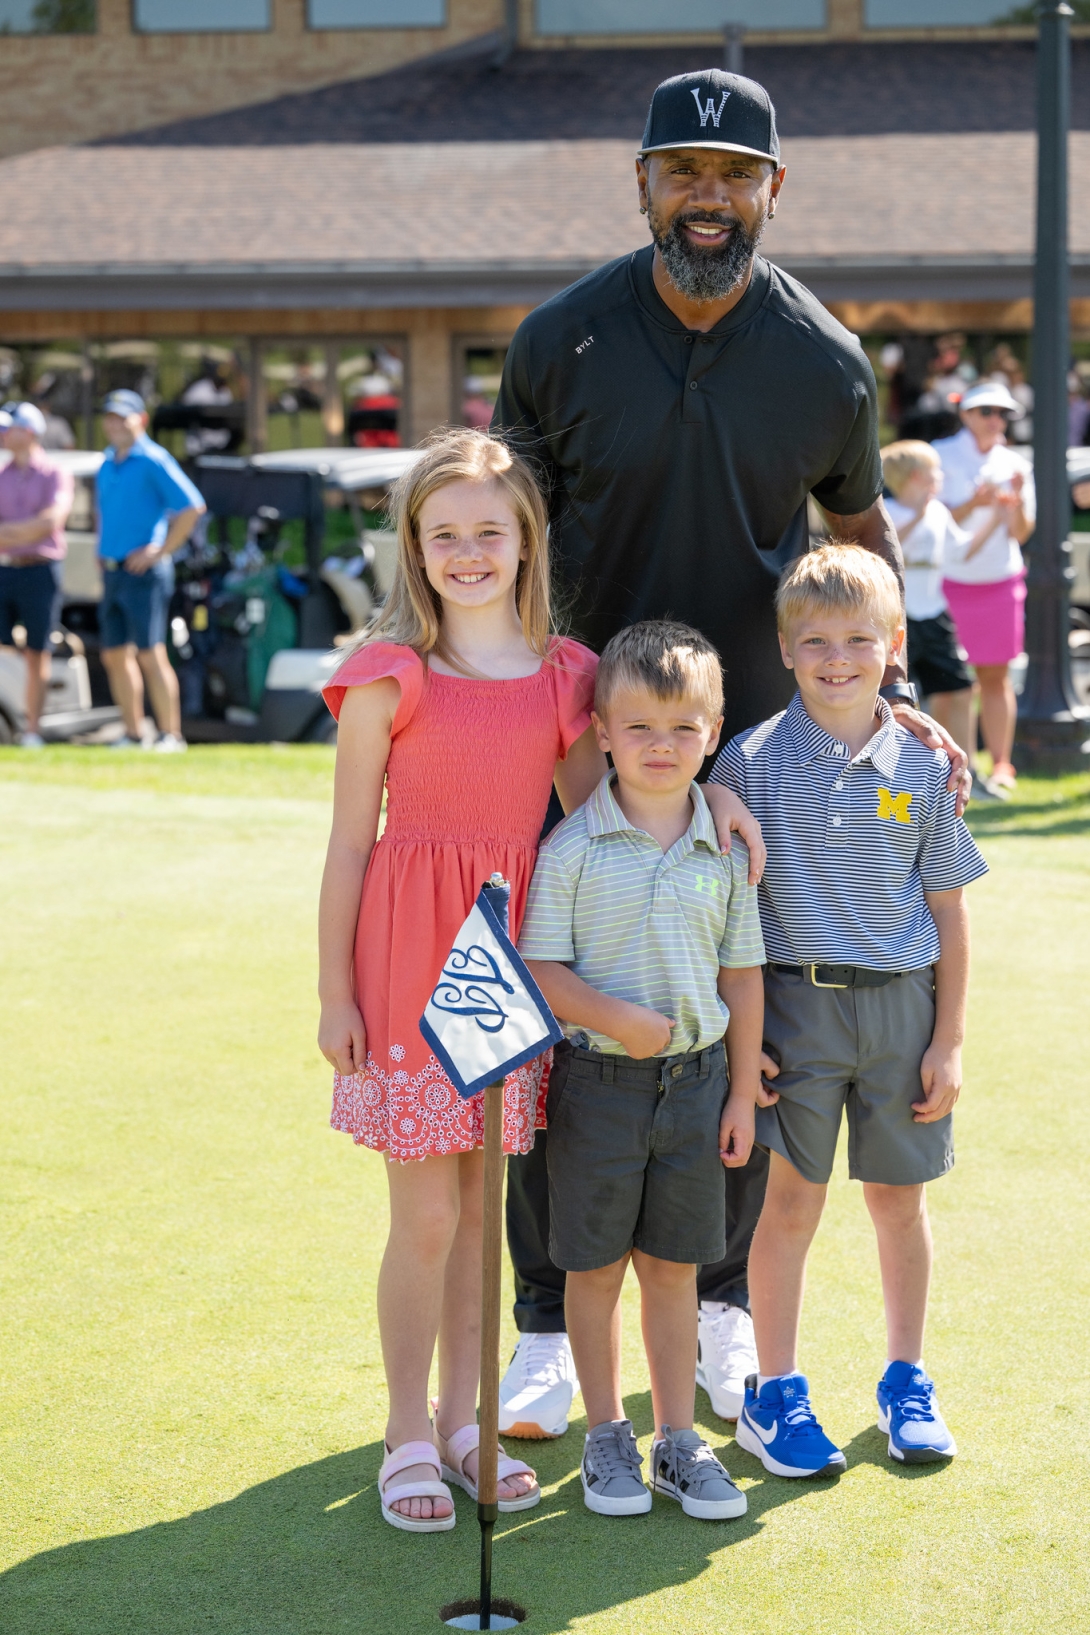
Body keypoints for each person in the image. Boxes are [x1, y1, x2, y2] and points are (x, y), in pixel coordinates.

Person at [492, 65, 968, 1437]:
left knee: (734, 1041)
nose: (707, 197)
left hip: (743, 757)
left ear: (774, 188)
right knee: (559, 1023)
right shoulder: (559, 339)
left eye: (732, 174)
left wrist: (908, 685)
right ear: (640, 182)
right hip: (579, 744)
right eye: (680, 172)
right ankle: (541, 1317)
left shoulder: (820, 358)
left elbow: (858, 540)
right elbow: (502, 538)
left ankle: (712, 1310)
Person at [314, 429, 756, 1533]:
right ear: (415, 545)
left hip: (512, 964)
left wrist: (721, 803)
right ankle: (406, 1430)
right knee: (422, 1214)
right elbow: (349, 847)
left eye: (489, 533)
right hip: (413, 959)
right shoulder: (389, 675)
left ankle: (469, 1419)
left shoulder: (568, 677)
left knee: (478, 1208)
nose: (468, 552)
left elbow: (614, 806)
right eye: (443, 533)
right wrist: (333, 992)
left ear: (526, 543)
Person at [710, 544, 987, 1476]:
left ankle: (906, 1377)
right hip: (796, 1014)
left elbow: (949, 910)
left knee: (898, 1204)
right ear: (785, 650)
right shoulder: (745, 764)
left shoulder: (923, 764)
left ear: (894, 644)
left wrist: (948, 1041)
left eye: (860, 638)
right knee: (791, 1205)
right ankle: (776, 1392)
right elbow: (729, 921)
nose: (838, 656)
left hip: (904, 1014)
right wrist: (745, 1051)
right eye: (816, 640)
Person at [519, 621, 766, 1521]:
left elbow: (741, 973)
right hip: (598, 1088)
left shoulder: (725, 848)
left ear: (714, 730)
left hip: (699, 1086)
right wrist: (619, 1018)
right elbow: (541, 970)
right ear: (602, 733)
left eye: (683, 729)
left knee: (673, 1269)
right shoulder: (573, 849)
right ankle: (605, 1436)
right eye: (639, 729)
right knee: (595, 1270)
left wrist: (741, 1089)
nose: (661, 748)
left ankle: (676, 1439)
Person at [881, 440, 1003, 799]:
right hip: (898, 622)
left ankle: (969, 773)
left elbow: (962, 551)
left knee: (961, 689)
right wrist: (919, 513)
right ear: (918, 476)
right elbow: (888, 546)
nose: (941, 478)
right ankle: (899, 776)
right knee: (897, 699)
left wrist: (996, 516)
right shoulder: (886, 511)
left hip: (934, 617)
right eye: (935, 471)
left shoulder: (939, 513)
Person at [934, 380, 1035, 793]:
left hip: (999, 579)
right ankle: (949, 768)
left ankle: (1001, 766)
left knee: (996, 677)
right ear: (966, 414)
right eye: (986, 412)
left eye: (1003, 413)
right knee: (952, 684)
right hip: (948, 582)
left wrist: (1013, 506)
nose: (996, 420)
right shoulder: (939, 455)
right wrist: (975, 504)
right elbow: (930, 519)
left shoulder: (1016, 463)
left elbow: (1023, 532)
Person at [95, 389, 206, 753]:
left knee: (149, 652)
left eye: (122, 418)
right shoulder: (107, 462)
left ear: (140, 420)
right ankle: (132, 732)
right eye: (110, 418)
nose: (115, 424)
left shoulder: (154, 459)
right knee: (114, 654)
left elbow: (191, 508)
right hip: (112, 571)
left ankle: (170, 735)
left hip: (144, 573)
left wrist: (160, 551)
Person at [0, 402, 74, 747]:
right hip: (6, 569)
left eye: (8, 428)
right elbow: (38, 526)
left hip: (41, 571)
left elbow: (51, 523)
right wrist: (27, 531)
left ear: (28, 432)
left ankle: (32, 730)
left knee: (37, 651)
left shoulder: (54, 473)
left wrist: (9, 532)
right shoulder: (3, 474)